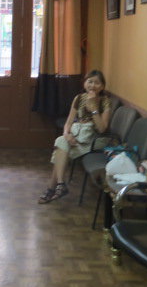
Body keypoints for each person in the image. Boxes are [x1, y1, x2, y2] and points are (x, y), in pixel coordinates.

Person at [38, 70, 112, 204]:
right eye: (90, 81)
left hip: (94, 140)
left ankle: (52, 188)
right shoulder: (78, 98)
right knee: (62, 142)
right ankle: (60, 185)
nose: (92, 85)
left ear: (102, 86)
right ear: (84, 83)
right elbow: (69, 122)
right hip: (78, 136)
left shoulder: (105, 101)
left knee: (60, 151)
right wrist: (67, 134)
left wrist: (94, 108)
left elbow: (102, 129)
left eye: (97, 83)